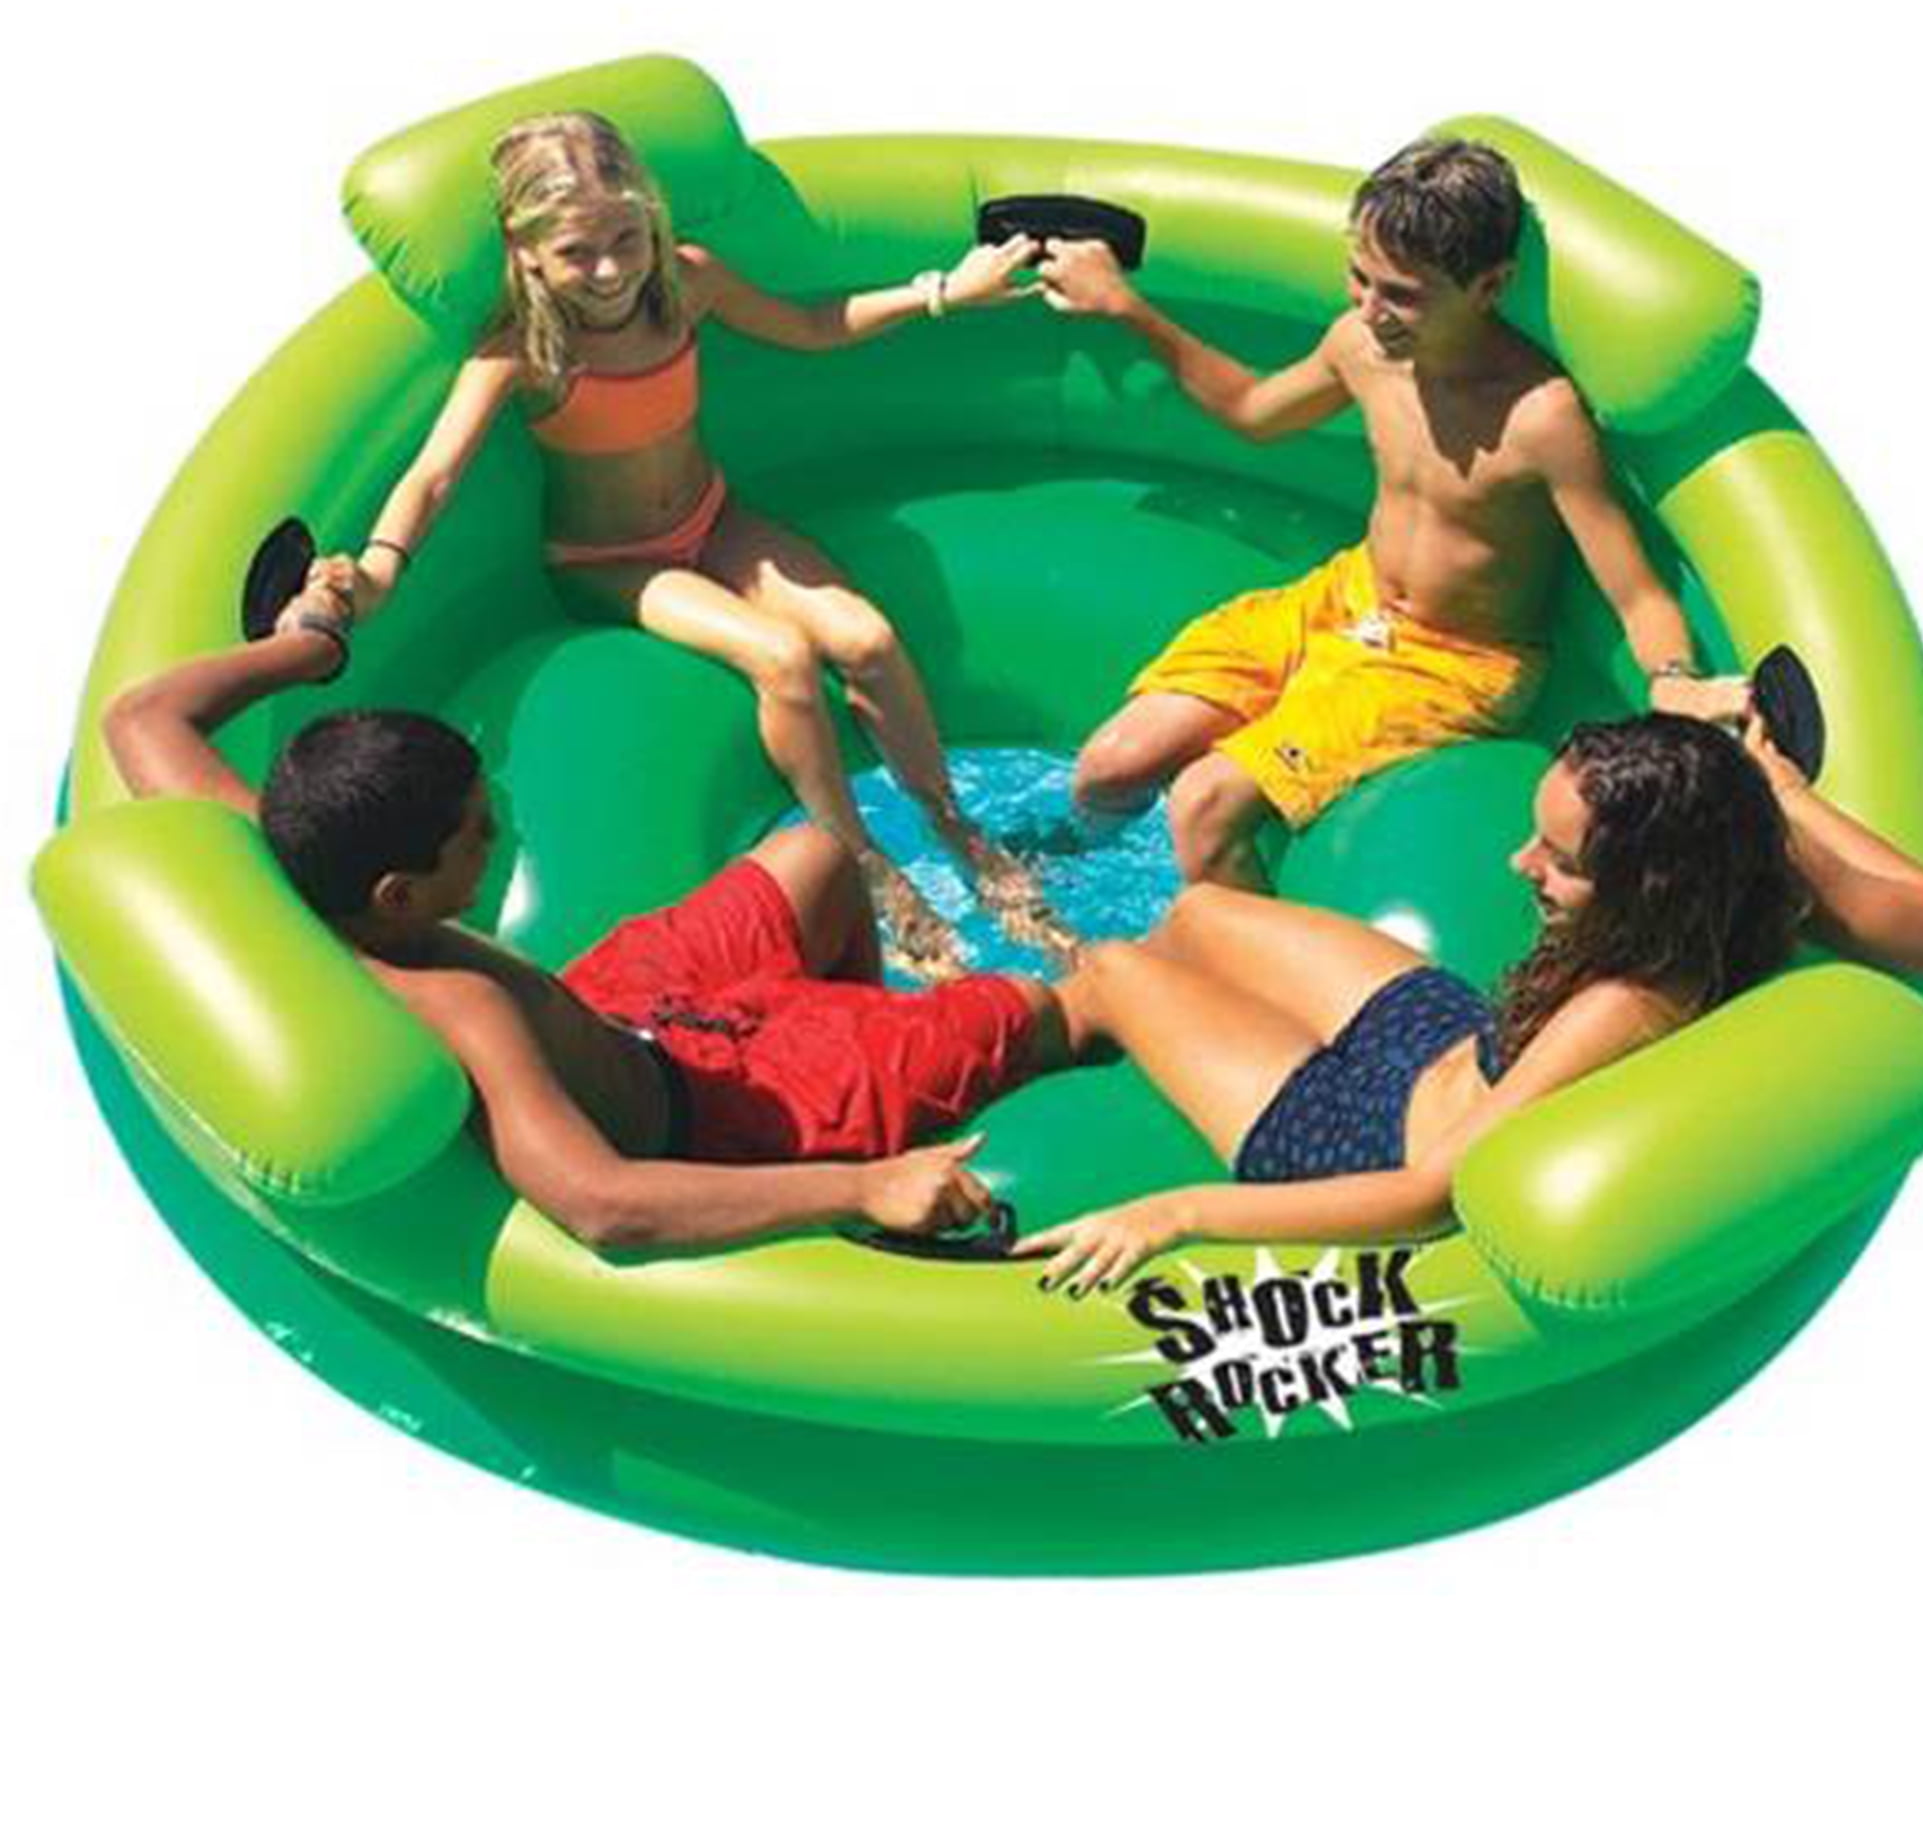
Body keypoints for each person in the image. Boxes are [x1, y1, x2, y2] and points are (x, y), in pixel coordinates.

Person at [101, 583, 1082, 1255]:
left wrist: (313, 645)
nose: (507, 830)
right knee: (1041, 1002)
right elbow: (602, 1203)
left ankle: (857, 1019)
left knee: (820, 858)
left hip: (623, 1006)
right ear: (399, 893)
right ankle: (857, 1096)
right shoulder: (461, 1005)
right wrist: (863, 1188)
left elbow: (140, 719)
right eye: (478, 832)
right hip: (711, 1113)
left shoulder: (288, 858)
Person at [322, 111, 1066, 979]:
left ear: (652, 221)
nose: (610, 270)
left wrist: (940, 294)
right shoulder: (521, 351)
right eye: (576, 252)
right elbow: (433, 476)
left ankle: (956, 827)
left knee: (866, 637)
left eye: (626, 238)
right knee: (782, 659)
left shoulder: (686, 283)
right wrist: (378, 571)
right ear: (525, 253)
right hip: (611, 563)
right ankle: (863, 864)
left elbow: (810, 325)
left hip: (714, 520)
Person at [1016, 712, 1923, 1292]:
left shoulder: (1626, 1005)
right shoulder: (1743, 882)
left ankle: (1020, 1033)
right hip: (1441, 1036)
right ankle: (1140, 1011)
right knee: (1198, 912)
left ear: (1651, 884)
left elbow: (1429, 1196)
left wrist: (1178, 1215)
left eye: (1561, 863)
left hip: (1355, 1138)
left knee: (1114, 968)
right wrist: (1774, 788)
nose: (1522, 864)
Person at [1038, 137, 1753, 889]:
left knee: (1202, 806)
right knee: (1107, 768)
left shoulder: (1539, 417)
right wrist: (1126, 307)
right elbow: (1253, 410)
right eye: (1360, 277)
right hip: (1346, 601)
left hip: (1453, 660)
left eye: (1403, 295)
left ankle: (1226, 955)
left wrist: (1674, 678)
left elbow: (1636, 591)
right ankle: (1082, 893)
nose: (1370, 310)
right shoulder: (1361, 347)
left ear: (1490, 285)